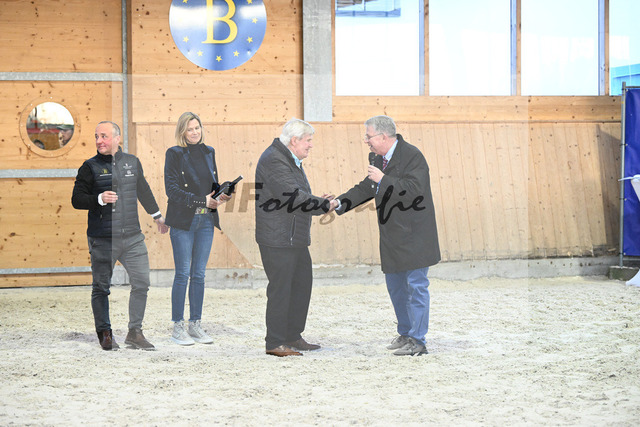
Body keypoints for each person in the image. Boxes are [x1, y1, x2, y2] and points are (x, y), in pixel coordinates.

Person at [335, 115, 440, 356]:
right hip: (392, 236)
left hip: (415, 235)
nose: (366, 141)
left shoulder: (412, 156)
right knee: (396, 288)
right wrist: (339, 203)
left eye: (368, 136)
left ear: (383, 136)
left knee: (416, 287)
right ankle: (405, 333)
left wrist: (384, 180)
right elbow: (368, 187)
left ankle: (418, 341)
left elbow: (415, 190)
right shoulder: (377, 158)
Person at [72, 121, 169, 351]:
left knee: (142, 282)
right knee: (101, 287)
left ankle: (135, 333)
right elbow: (76, 199)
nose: (99, 141)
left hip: (133, 237)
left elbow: (143, 190)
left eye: (104, 136)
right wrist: (98, 199)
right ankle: (105, 333)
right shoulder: (89, 167)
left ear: (117, 138)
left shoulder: (132, 162)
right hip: (103, 238)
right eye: (96, 136)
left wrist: (157, 216)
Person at [255, 118, 338, 357]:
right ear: (294, 140)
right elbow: (292, 197)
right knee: (281, 290)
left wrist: (318, 202)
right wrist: (324, 205)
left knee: (301, 286)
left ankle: (292, 336)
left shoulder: (288, 159)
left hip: (293, 237)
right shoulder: (274, 159)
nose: (311, 145)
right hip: (278, 239)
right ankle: (275, 342)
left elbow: (298, 194)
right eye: (308, 140)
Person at [164, 112, 231, 346]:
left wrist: (222, 195)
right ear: (182, 132)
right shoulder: (174, 153)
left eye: (197, 128)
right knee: (183, 274)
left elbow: (212, 185)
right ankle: (178, 327)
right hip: (183, 221)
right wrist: (202, 200)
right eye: (190, 129)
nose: (195, 132)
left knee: (199, 275)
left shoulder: (209, 152)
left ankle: (195, 324)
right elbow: (172, 190)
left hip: (206, 221)